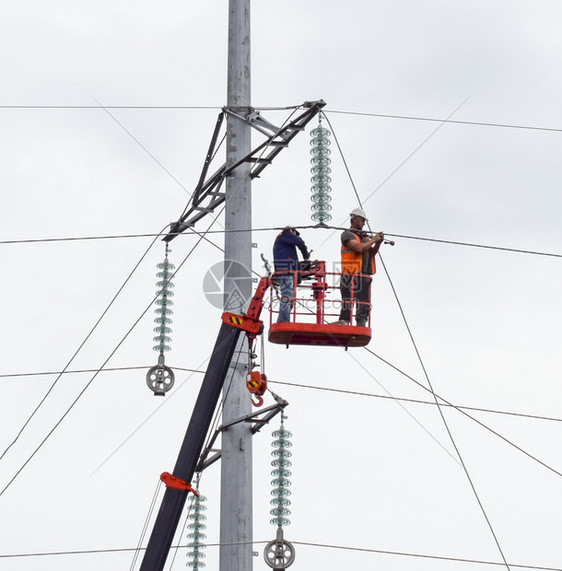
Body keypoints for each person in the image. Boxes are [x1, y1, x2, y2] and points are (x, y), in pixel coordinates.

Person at [334, 208, 384, 327]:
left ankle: (361, 323)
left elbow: (370, 253)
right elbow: (358, 248)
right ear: (354, 219)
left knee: (363, 303)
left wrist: (377, 243)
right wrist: (373, 240)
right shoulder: (347, 234)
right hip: (349, 274)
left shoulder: (365, 238)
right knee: (347, 300)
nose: (364, 223)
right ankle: (345, 321)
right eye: (362, 220)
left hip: (363, 275)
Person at [273, 226, 310, 322]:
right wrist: (306, 255)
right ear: (291, 231)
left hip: (288, 272)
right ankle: (283, 321)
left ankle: (283, 320)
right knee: (287, 298)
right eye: (295, 234)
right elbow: (299, 242)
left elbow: (292, 260)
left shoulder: (285, 245)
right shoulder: (286, 233)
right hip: (286, 272)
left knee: (289, 301)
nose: (295, 236)